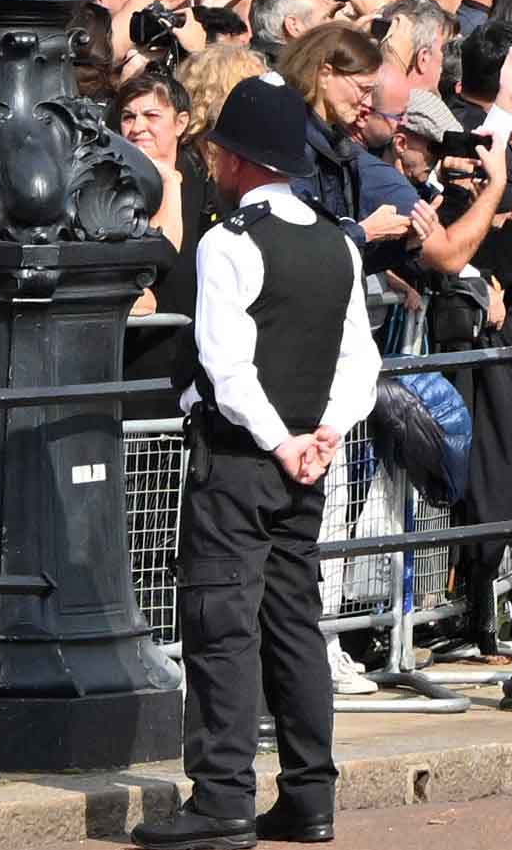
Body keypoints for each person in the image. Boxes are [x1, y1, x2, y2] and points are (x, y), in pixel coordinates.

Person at [141, 79, 371, 850]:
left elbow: (227, 367)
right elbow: (359, 361)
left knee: (222, 625)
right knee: (294, 625)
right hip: (309, 458)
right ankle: (310, 796)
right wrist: (324, 435)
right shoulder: (337, 240)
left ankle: (222, 797)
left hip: (242, 459)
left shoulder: (229, 240)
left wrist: (279, 440)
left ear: (236, 158)